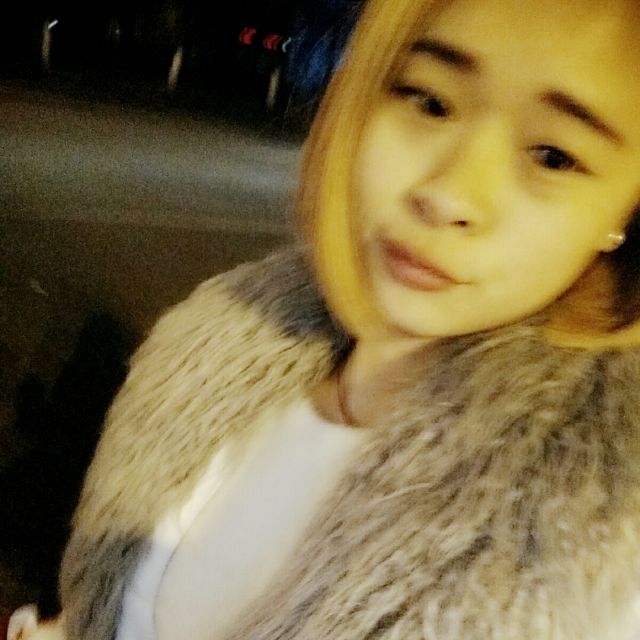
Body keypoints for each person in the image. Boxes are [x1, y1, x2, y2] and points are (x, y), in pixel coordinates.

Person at [10, 0, 640, 638]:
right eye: (429, 102)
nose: (447, 193)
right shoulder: (223, 351)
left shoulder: (597, 554)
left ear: (626, 210)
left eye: (553, 156)